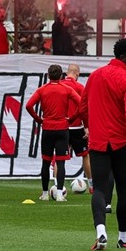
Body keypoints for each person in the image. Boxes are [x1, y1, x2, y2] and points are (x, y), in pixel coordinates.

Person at [77, 38, 126, 250]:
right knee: (125, 189)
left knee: (99, 189)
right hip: (124, 141)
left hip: (98, 142)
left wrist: (90, 127)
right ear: (124, 57)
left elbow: (82, 108)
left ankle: (101, 233)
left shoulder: (95, 76)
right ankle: (123, 238)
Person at [26, 64, 80, 201]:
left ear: (48, 75)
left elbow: (29, 105)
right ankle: (60, 194)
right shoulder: (67, 89)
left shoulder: (42, 89)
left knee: (46, 161)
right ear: (61, 76)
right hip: (62, 128)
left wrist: (39, 119)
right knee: (61, 162)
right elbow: (81, 104)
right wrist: (72, 119)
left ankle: (45, 194)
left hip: (48, 128)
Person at [62, 63, 91, 187]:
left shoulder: (60, 85)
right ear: (77, 74)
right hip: (76, 127)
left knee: (60, 158)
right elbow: (84, 109)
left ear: (66, 73)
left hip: (62, 127)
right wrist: (86, 127)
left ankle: (58, 186)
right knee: (85, 155)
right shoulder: (79, 87)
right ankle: (92, 185)